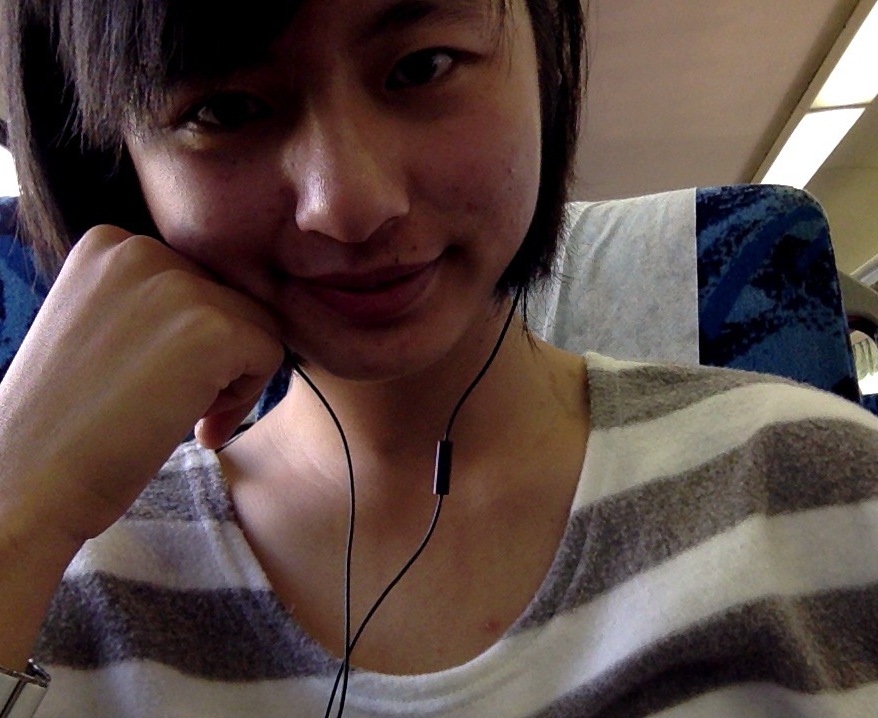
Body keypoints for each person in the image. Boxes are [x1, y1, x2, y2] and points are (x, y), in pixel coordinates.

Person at [0, 0, 877, 716]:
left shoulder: (821, 484)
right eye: (222, 111)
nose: (350, 204)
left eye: (421, 66)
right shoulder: (56, 569)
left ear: (546, 57)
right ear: (117, 169)